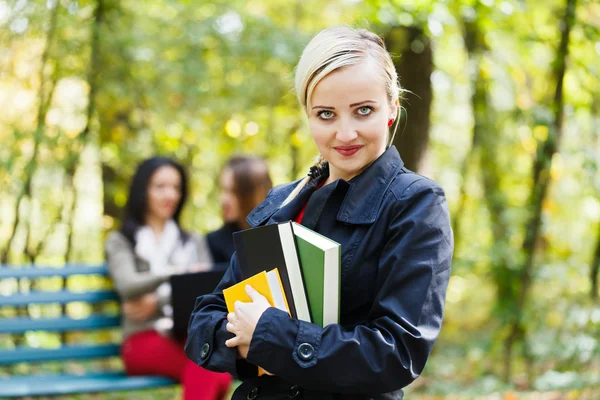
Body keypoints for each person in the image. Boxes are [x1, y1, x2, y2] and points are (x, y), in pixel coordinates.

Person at [185, 26, 453, 400]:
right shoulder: (283, 200)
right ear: (308, 115)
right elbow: (206, 318)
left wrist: (267, 334)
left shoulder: (416, 204)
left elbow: (396, 353)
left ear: (392, 107)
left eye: (363, 110)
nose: (345, 134)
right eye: (326, 114)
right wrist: (252, 340)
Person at [105, 156, 232, 400]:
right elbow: (128, 286)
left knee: (216, 369)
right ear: (143, 190)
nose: (170, 195)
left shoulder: (192, 240)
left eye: (175, 187)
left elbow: (210, 288)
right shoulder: (122, 240)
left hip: (187, 333)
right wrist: (178, 275)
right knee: (206, 365)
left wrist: (160, 300)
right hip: (142, 338)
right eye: (160, 187)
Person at [206, 155, 273, 270]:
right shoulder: (213, 243)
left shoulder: (276, 236)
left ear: (255, 194)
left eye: (233, 192)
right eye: (223, 190)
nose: (223, 199)